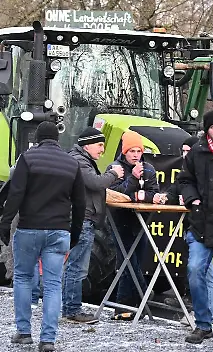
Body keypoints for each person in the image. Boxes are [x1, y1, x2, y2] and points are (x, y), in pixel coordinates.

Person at [0, 121, 86, 352]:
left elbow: (15, 193)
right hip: (59, 232)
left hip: (29, 229)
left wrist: (5, 224)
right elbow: (80, 204)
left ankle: (24, 332)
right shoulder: (72, 163)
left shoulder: (27, 159)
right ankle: (48, 340)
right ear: (57, 140)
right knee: (53, 285)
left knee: (23, 278)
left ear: (37, 139)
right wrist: (74, 234)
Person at [59, 128, 126, 324]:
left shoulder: (82, 160)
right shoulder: (79, 161)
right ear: (87, 145)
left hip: (86, 219)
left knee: (76, 266)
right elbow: (95, 183)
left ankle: (70, 308)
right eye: (99, 145)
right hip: (83, 220)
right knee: (77, 267)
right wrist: (113, 174)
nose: (102, 150)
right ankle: (71, 310)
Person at [106, 129, 167, 320]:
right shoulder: (115, 168)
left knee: (136, 262)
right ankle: (127, 306)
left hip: (141, 221)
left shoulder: (149, 169)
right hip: (120, 220)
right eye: (131, 151)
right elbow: (116, 194)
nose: (135, 155)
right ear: (124, 152)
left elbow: (154, 194)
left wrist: (142, 196)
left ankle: (133, 308)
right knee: (127, 263)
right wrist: (133, 179)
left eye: (138, 151)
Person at [177, 109, 213, 344]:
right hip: (201, 225)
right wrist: (192, 199)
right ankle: (203, 325)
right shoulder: (196, 152)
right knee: (195, 272)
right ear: (207, 130)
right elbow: (185, 180)